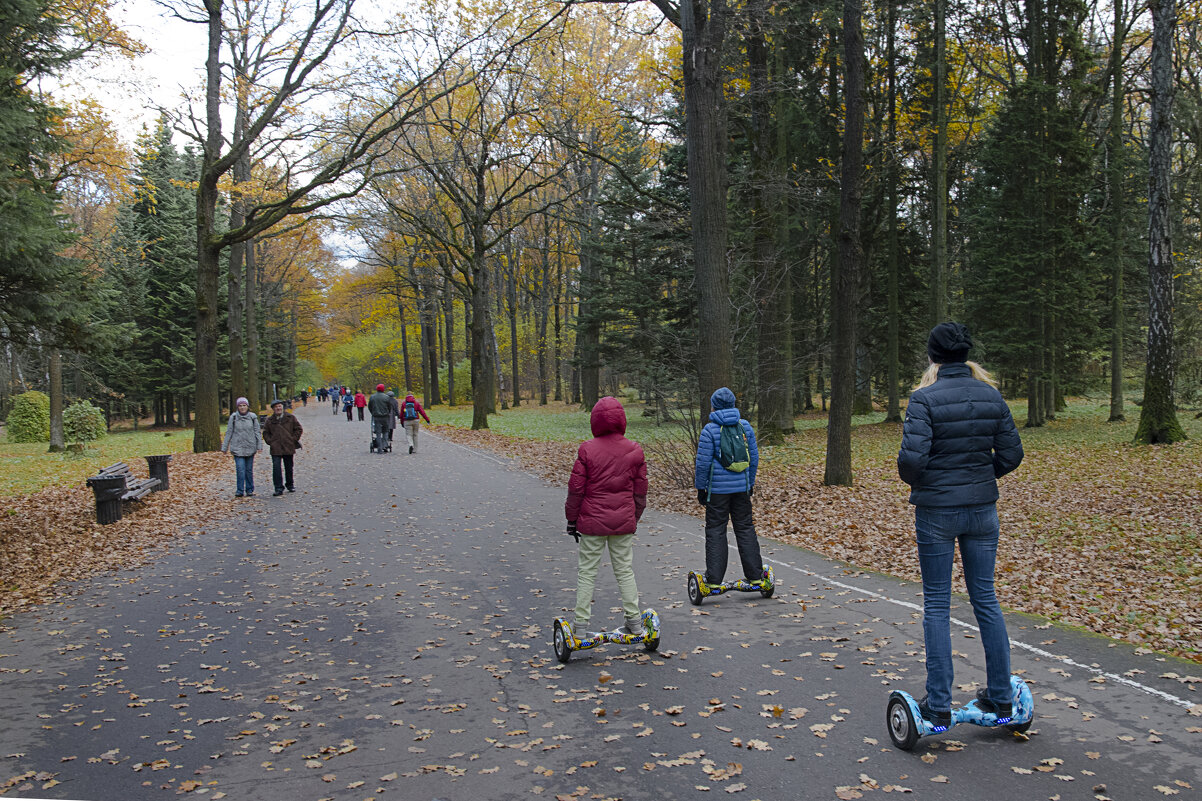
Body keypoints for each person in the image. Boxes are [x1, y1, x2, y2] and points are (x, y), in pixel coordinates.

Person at [897, 322, 1024, 731]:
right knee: (985, 598)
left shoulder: (924, 399)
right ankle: (1002, 697)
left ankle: (938, 705)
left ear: (933, 357)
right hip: (983, 510)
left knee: (937, 603)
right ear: (966, 355)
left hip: (937, 511)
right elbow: (1011, 453)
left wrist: (928, 484)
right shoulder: (991, 395)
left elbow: (911, 462)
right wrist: (982, 477)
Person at [565, 396, 648, 637]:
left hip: (591, 523)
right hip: (623, 521)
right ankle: (634, 621)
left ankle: (580, 626)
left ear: (595, 421)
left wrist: (572, 520)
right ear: (622, 420)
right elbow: (640, 491)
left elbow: (576, 490)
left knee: (587, 572)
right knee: (624, 570)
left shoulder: (587, 450)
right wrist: (634, 517)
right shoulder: (634, 450)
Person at [694, 387, 766, 587]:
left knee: (716, 530)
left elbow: (703, 463)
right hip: (741, 489)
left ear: (714, 406)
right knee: (745, 528)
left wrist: (701, 488)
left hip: (717, 492)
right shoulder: (745, 427)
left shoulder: (710, 429)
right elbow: (753, 458)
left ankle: (714, 580)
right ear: (734, 404)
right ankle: (756, 576)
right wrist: (749, 483)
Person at [220, 397, 262, 497]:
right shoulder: (233, 417)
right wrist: (224, 447)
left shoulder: (253, 417)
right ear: (237, 407)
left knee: (248, 470)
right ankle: (239, 490)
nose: (242, 407)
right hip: (237, 448)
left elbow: (257, 432)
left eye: (244, 405)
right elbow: (229, 432)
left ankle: (249, 489)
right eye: (240, 406)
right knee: (240, 469)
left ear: (247, 406)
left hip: (250, 447)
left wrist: (259, 446)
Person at [262, 398, 303, 496]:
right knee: (276, 468)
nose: (278, 408)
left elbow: (298, 429)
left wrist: (293, 440)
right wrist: (270, 442)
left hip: (288, 446)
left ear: (282, 407)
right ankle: (278, 488)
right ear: (273, 409)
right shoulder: (269, 420)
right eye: (276, 407)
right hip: (275, 447)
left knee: (289, 467)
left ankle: (290, 484)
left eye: (279, 406)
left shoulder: (290, 418)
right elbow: (265, 433)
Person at [367, 383, 393, 453]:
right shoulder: (386, 397)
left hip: (376, 417)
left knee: (378, 432)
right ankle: (384, 445)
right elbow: (389, 407)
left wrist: (373, 412)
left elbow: (369, 406)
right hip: (385, 417)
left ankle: (379, 447)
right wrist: (387, 412)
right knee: (385, 431)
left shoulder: (372, 397)